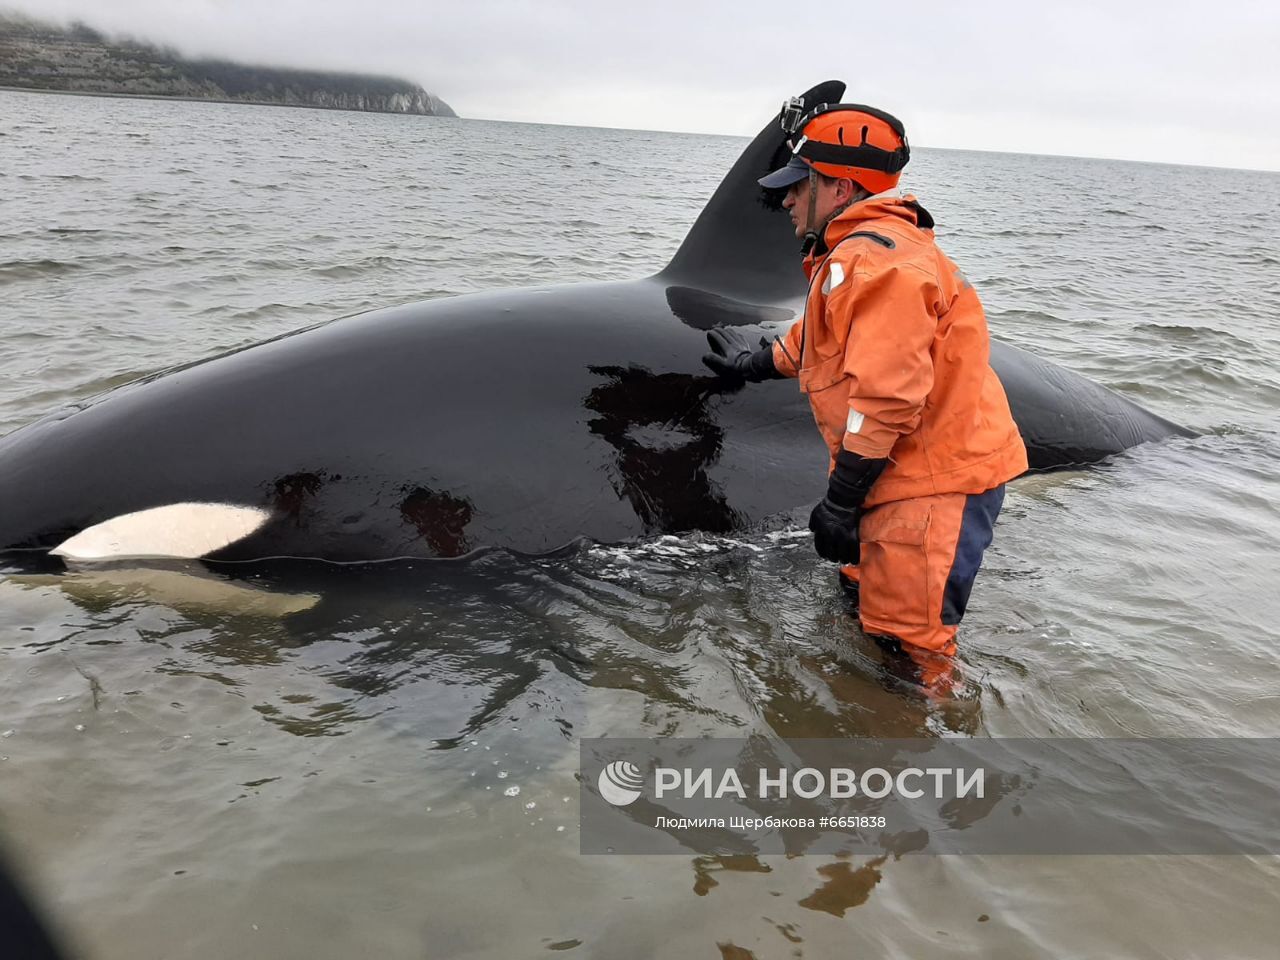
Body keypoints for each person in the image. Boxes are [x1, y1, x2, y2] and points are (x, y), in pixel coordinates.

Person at [703, 95, 1028, 688]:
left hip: (933, 486)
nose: (786, 199)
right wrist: (751, 365)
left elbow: (888, 398)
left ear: (841, 190)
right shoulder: (856, 254)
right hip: (900, 476)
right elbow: (821, 340)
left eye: (801, 185)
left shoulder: (880, 266)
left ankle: (921, 762)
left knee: (911, 656)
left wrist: (842, 501)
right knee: (863, 621)